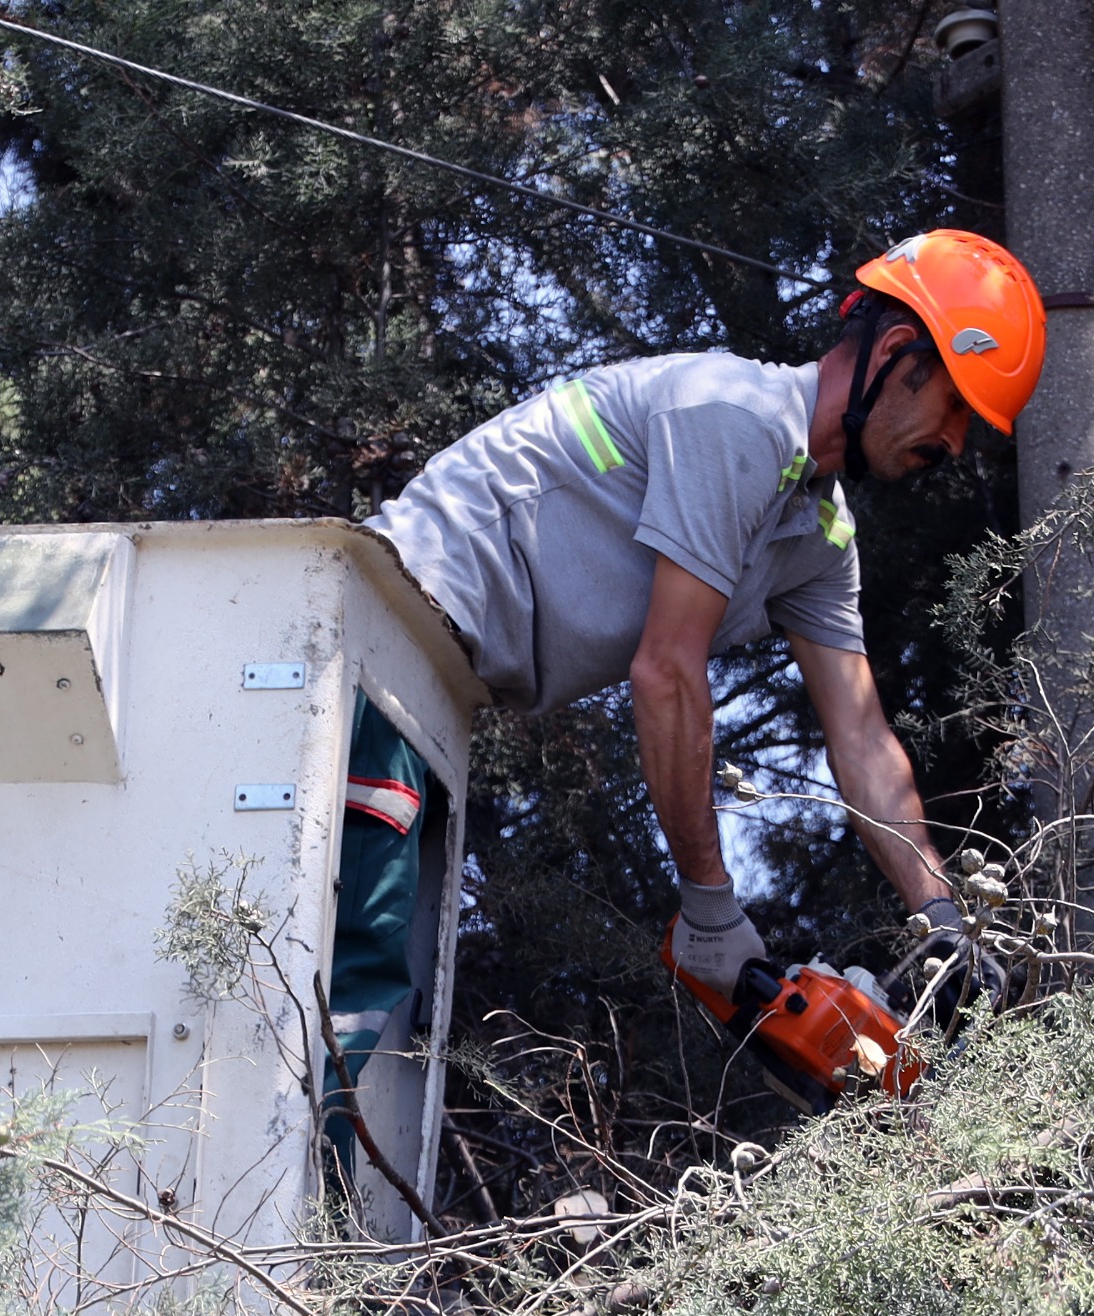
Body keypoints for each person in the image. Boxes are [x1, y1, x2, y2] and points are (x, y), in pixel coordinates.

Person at [366, 228, 1047, 1004]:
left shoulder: (819, 535)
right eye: (957, 405)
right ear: (897, 354)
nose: (956, 442)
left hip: (439, 683)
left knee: (384, 979)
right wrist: (711, 910)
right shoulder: (739, 418)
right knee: (352, 956)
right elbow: (665, 672)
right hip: (387, 622)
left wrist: (944, 919)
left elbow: (861, 736)